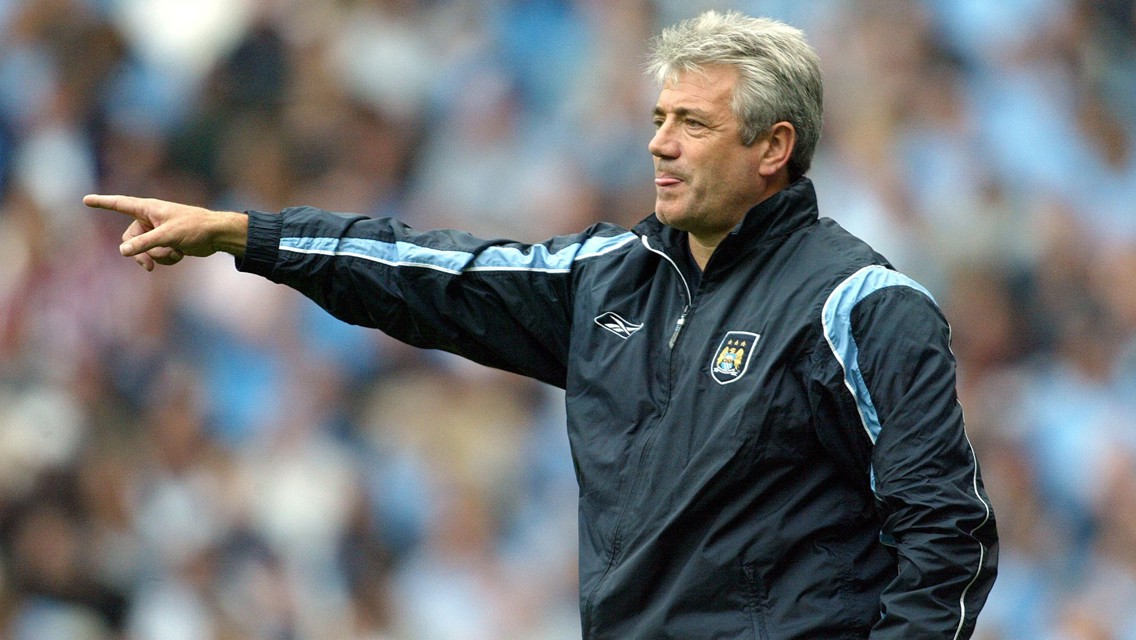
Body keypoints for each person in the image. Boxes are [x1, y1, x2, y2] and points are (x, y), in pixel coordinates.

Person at [86, 10, 997, 639]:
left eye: (692, 123)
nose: (659, 143)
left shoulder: (861, 307)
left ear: (774, 147)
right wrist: (249, 235)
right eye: (656, 118)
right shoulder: (609, 280)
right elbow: (433, 273)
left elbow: (949, 537)